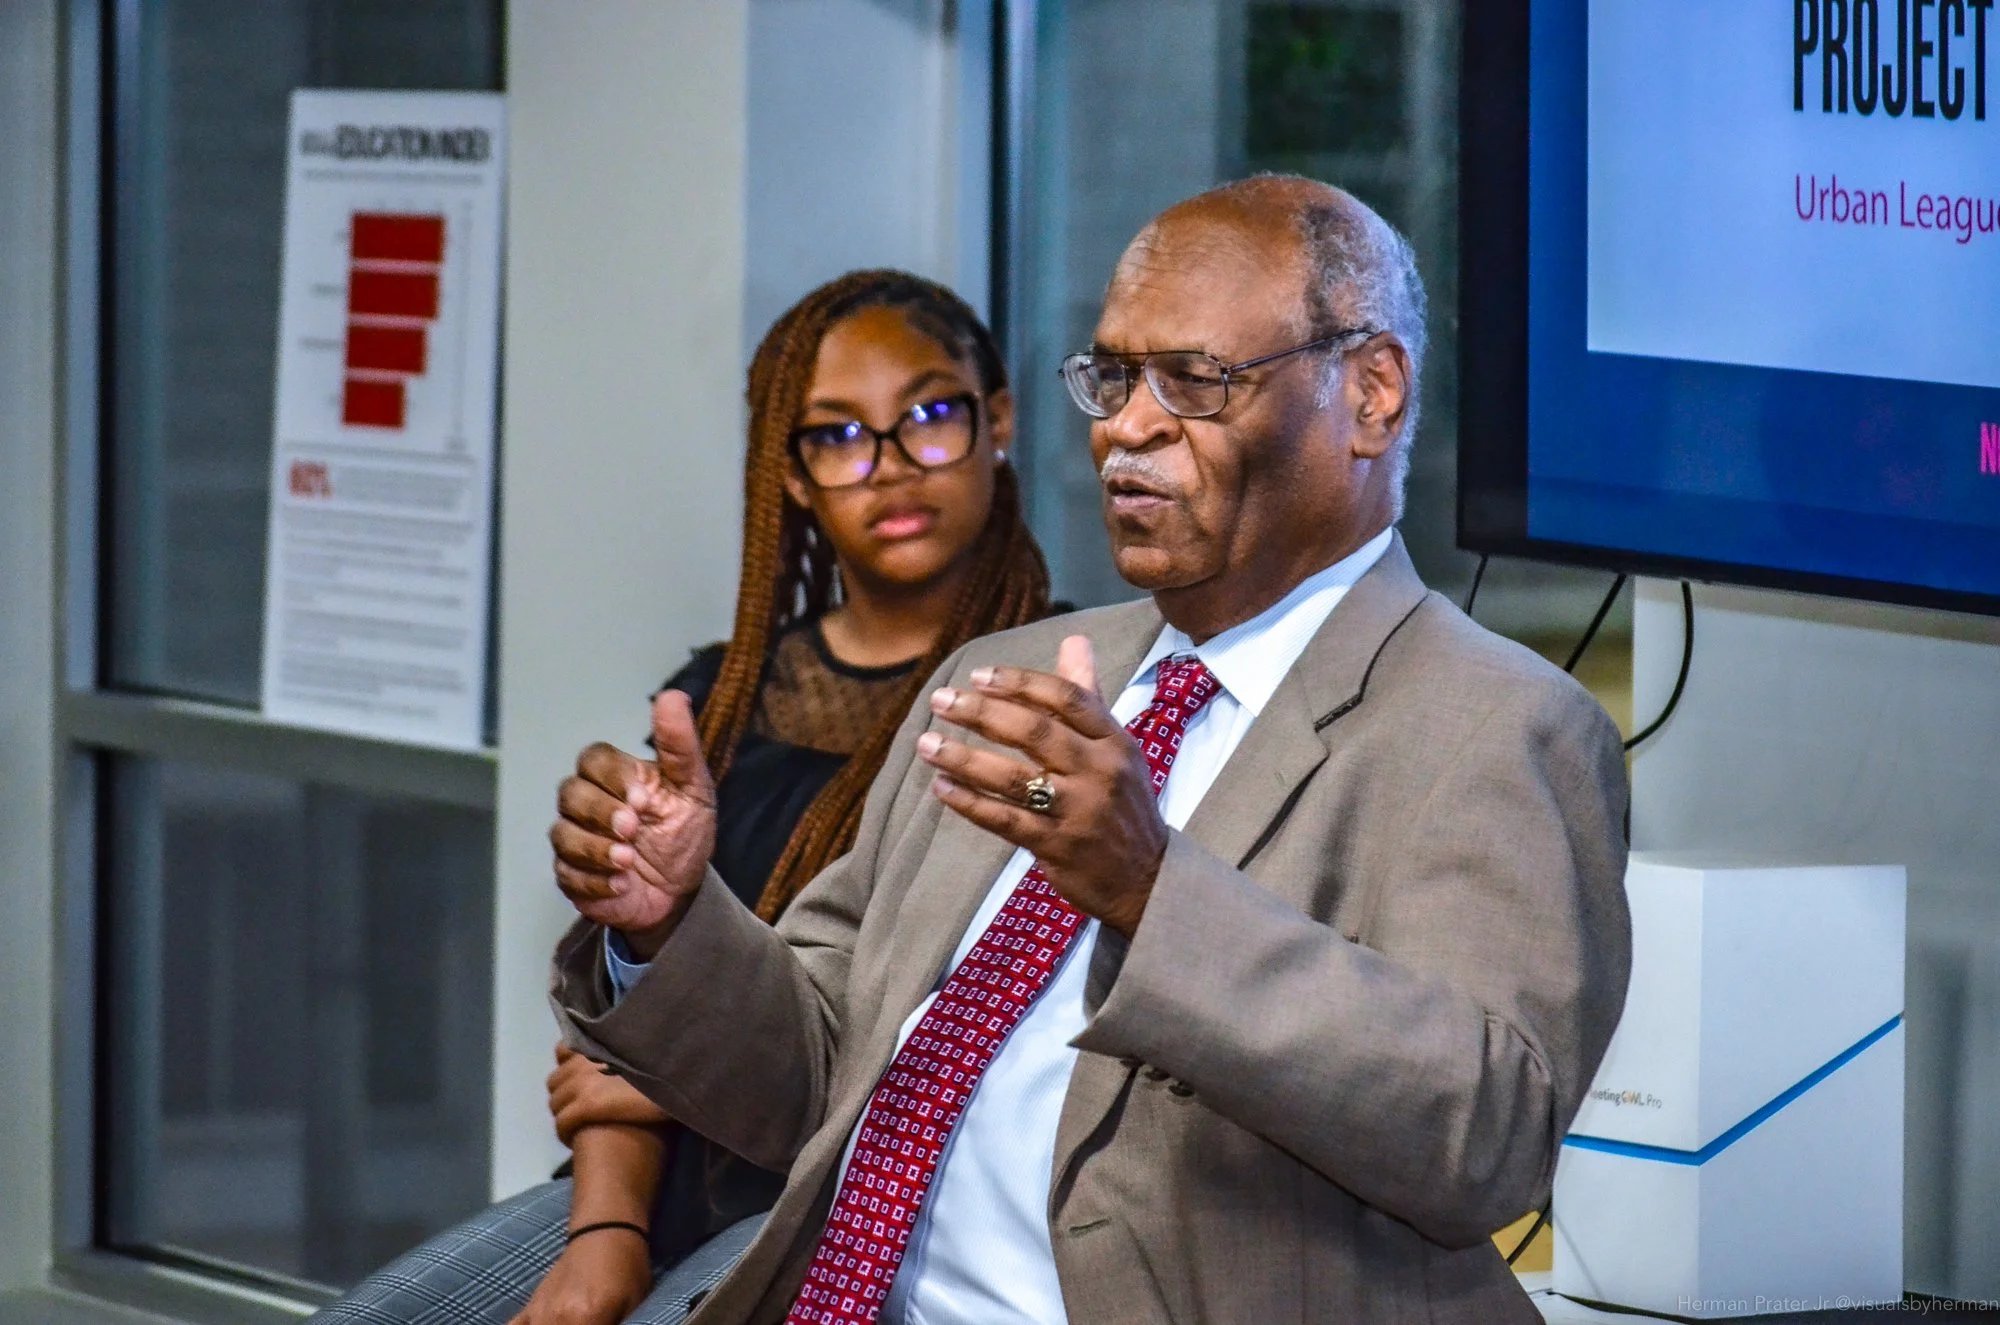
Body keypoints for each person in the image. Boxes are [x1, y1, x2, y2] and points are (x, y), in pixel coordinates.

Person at [546, 176, 1633, 1324]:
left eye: (1195, 381)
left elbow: (1487, 1138)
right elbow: (817, 1075)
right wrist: (669, 924)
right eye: (1112, 376)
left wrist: (1148, 887)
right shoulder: (1002, 675)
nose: (1125, 425)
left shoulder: (1495, 723)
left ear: (1368, 396)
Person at [311, 269, 1054, 1325]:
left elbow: (946, 1046)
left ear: (1000, 420)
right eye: (836, 436)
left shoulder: (1055, 699)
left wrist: (665, 1079)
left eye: (930, 415)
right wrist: (604, 1233)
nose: (889, 467)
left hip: (854, 1201)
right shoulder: (726, 694)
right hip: (655, 1190)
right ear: (791, 476)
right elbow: (619, 1019)